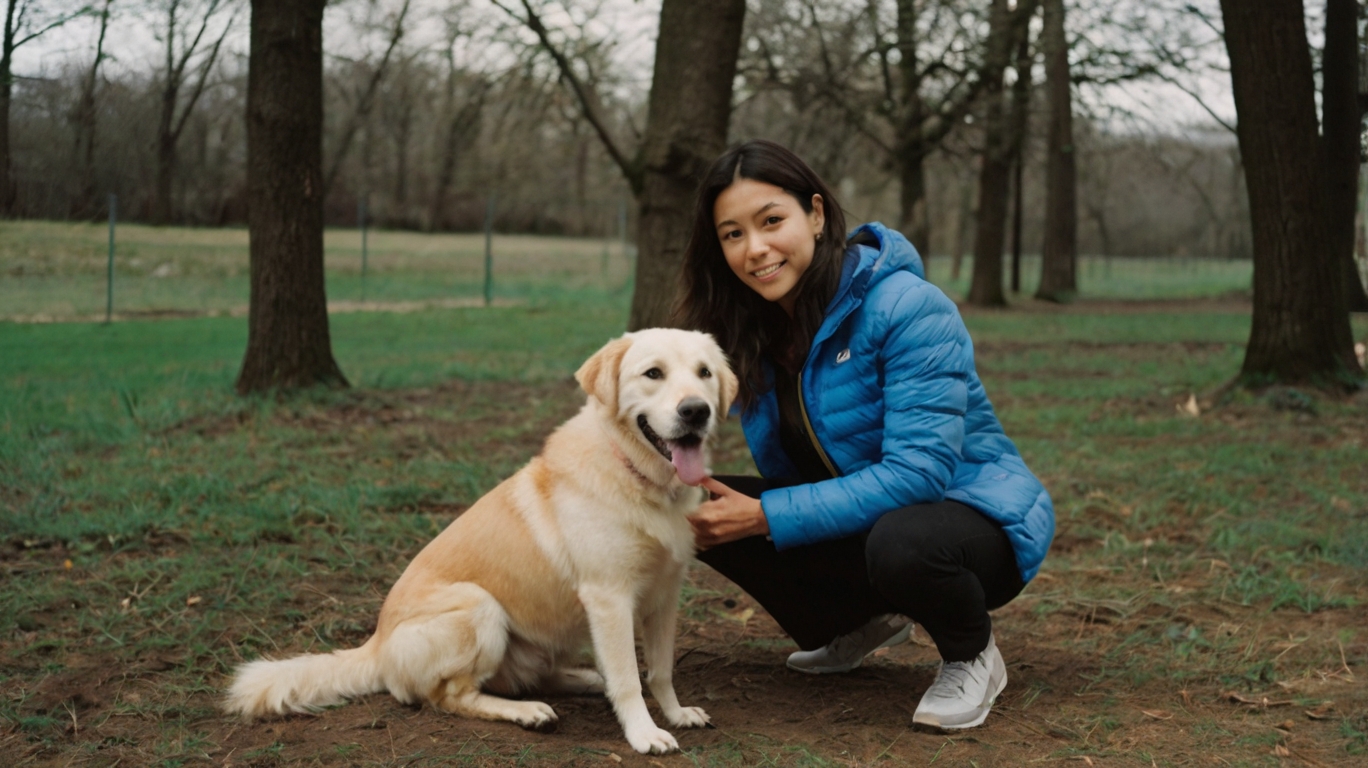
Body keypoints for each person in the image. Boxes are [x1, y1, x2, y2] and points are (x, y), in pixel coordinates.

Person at [676, 139, 1054, 730]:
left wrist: (764, 516)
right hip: (864, 522)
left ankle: (972, 653)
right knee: (686, 502)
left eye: (772, 221)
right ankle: (861, 619)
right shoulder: (749, 329)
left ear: (818, 215)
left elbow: (918, 475)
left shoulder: (909, 309)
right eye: (732, 234)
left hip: (968, 522)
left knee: (901, 544)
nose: (756, 248)